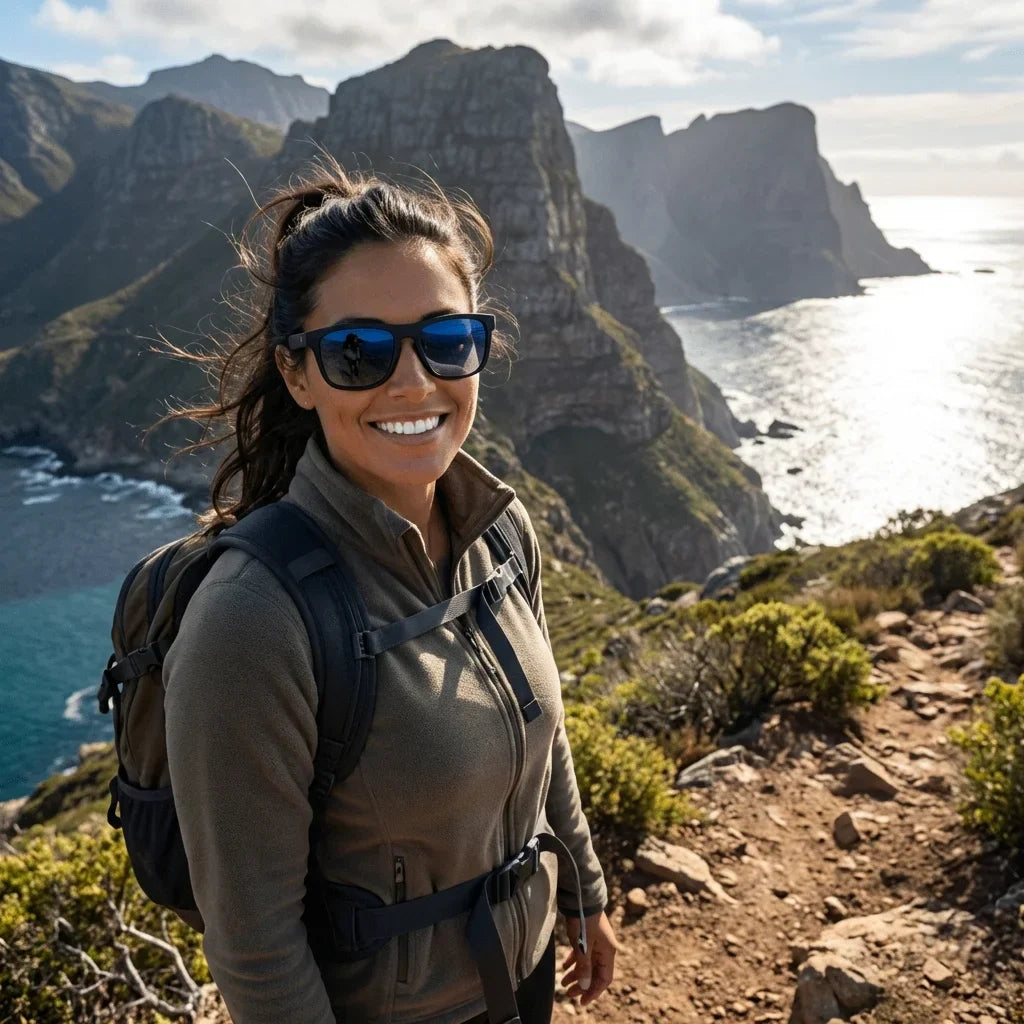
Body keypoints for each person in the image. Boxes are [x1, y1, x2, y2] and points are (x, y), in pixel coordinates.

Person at [158, 158, 619, 1024]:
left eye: (447, 340)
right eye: (359, 351)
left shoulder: (502, 532)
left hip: (521, 984)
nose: (413, 382)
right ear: (298, 374)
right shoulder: (253, 622)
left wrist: (584, 894)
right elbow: (255, 943)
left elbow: (539, 728)